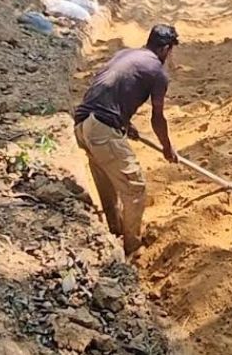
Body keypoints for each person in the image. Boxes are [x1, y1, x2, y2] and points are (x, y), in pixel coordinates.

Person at [73, 25, 180, 257]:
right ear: (166, 49)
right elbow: (157, 117)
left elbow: (110, 91)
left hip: (83, 125)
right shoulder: (158, 72)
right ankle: (132, 246)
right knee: (135, 189)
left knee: (108, 184)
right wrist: (167, 147)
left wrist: (124, 123)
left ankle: (113, 233)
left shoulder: (125, 54)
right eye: (171, 51)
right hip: (102, 129)